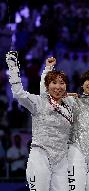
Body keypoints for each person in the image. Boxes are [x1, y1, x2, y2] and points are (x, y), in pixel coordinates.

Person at [6, 52, 73, 191]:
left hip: (62, 159)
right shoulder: (38, 103)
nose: (58, 87)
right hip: (40, 156)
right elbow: (19, 94)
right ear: (48, 86)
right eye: (54, 83)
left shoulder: (70, 106)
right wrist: (13, 68)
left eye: (62, 83)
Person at [41, 58, 89, 191]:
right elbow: (46, 95)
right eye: (88, 80)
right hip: (75, 152)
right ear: (82, 84)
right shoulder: (71, 101)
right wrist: (47, 70)